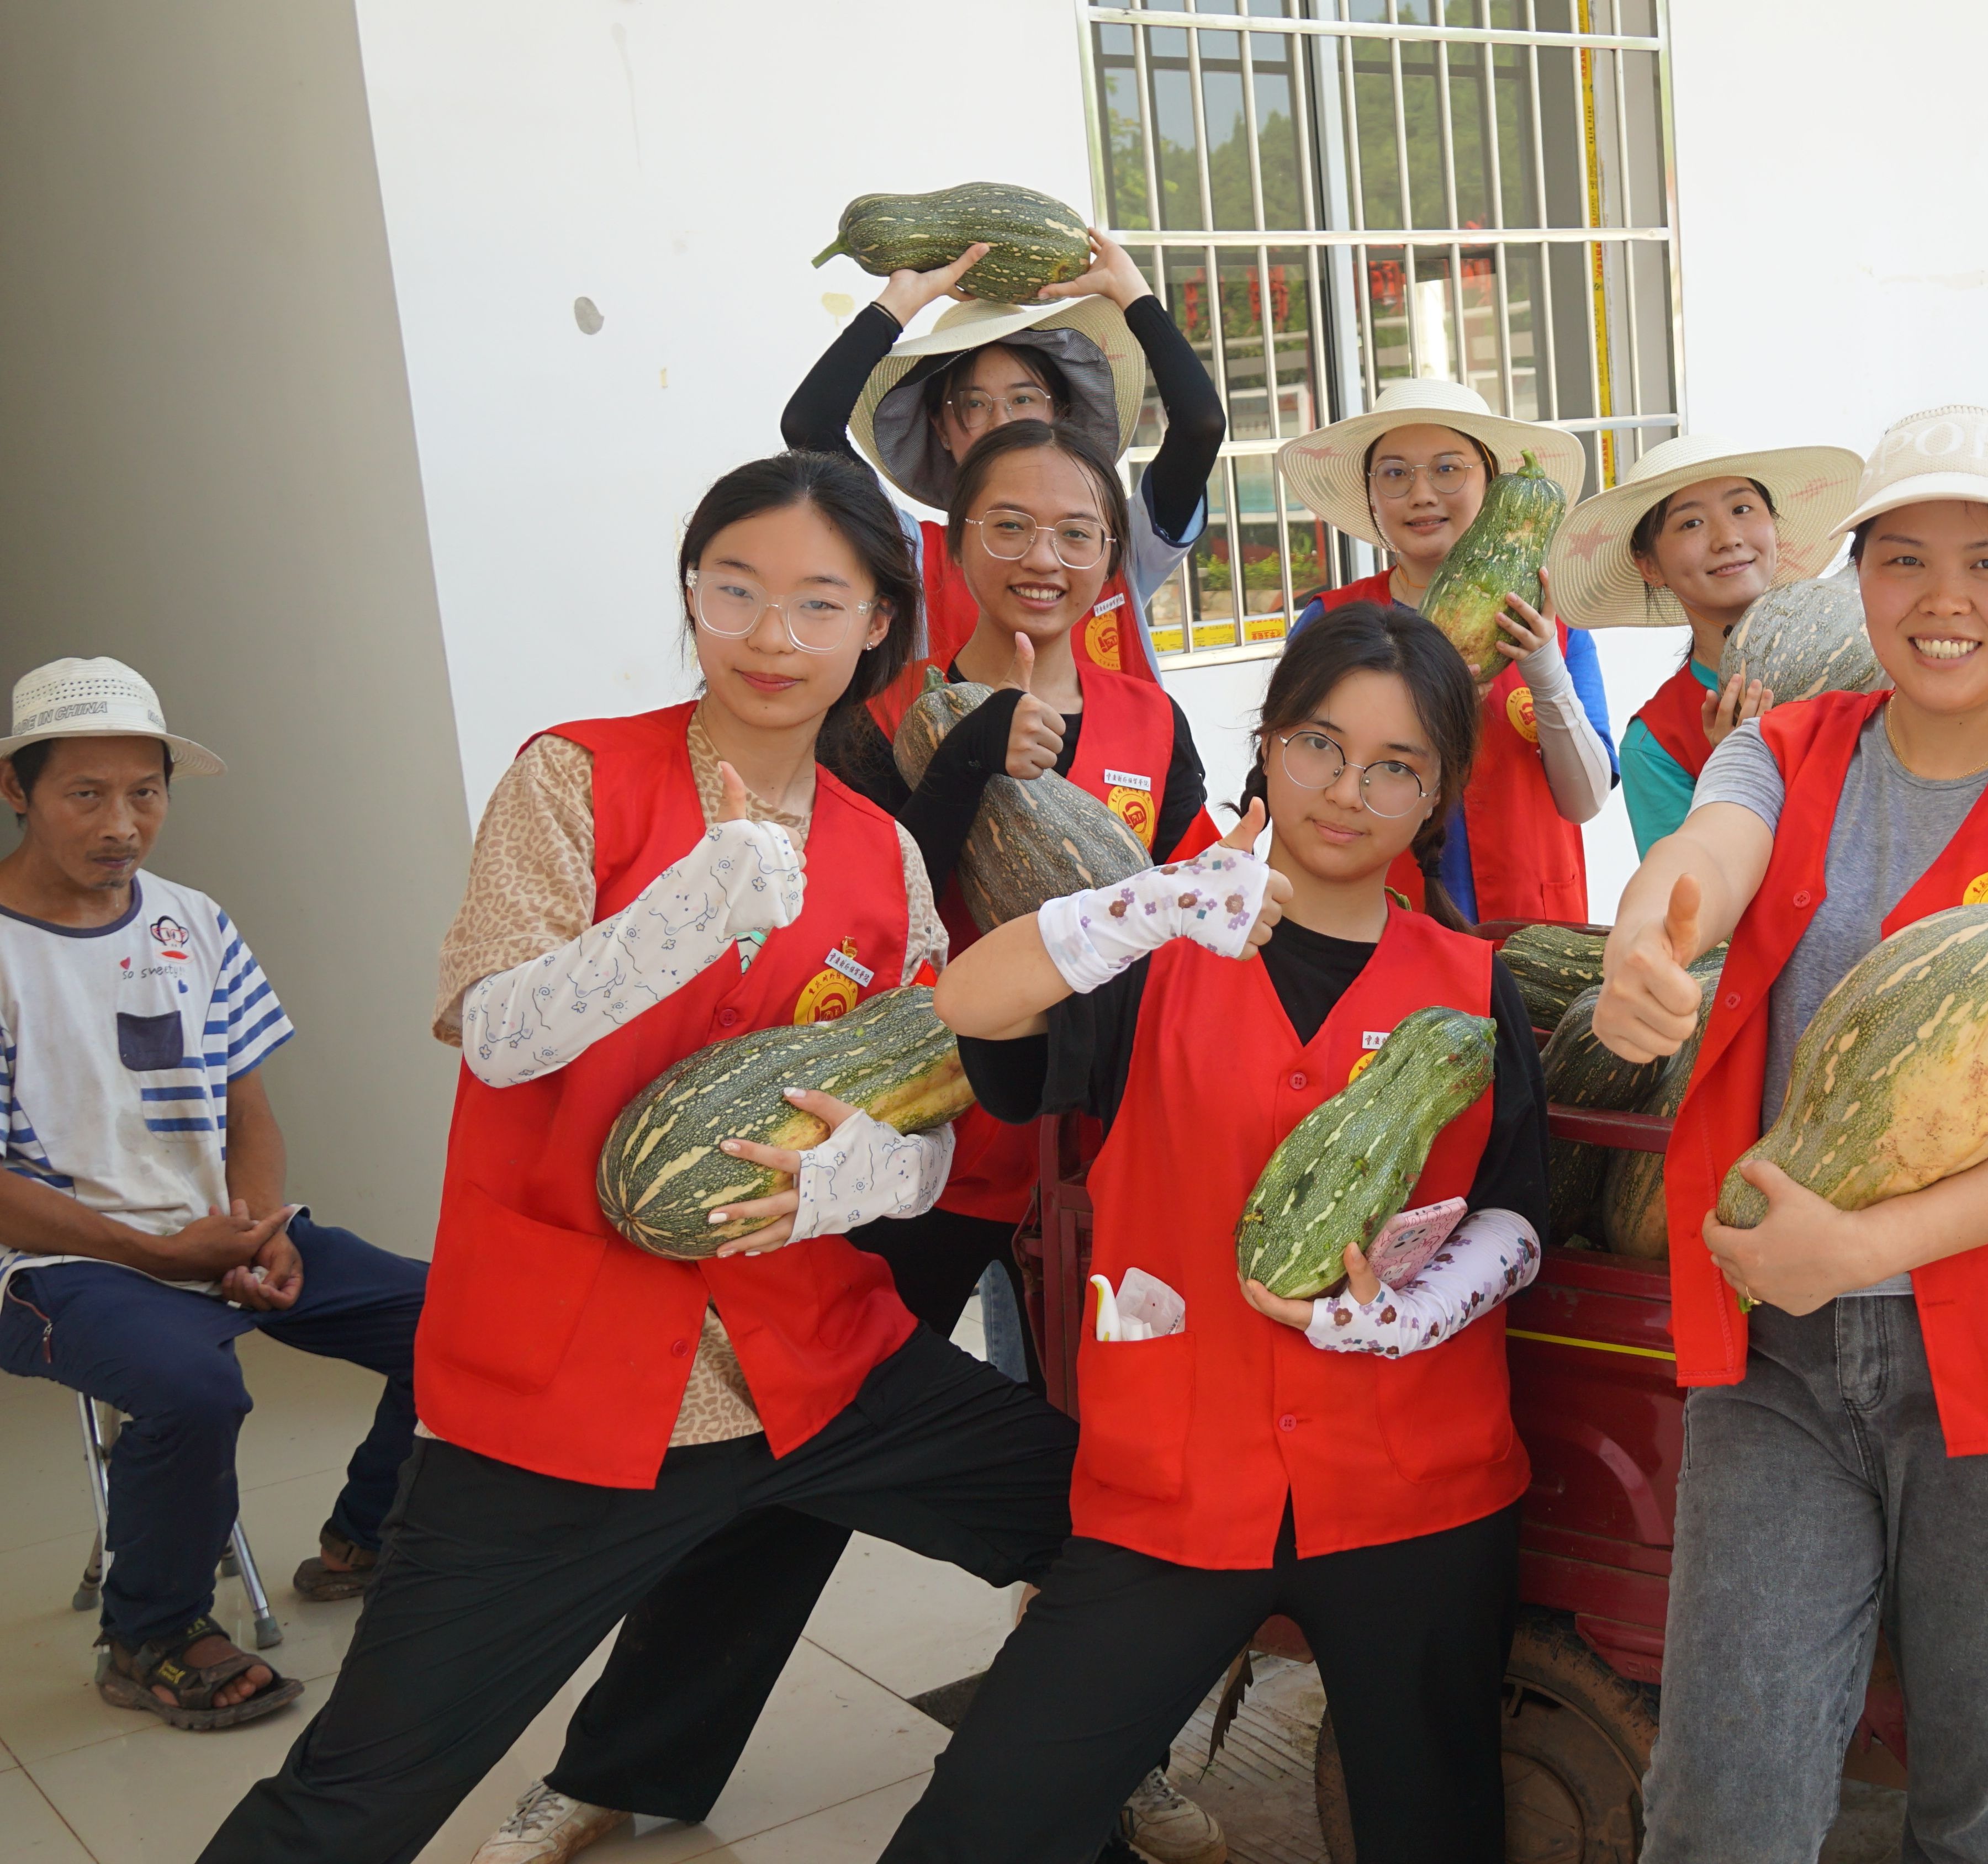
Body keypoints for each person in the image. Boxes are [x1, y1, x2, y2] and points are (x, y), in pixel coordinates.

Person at [200, 451, 1086, 1864]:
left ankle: (1039, 1809)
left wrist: (876, 1180)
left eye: (817, 602)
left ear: (876, 626)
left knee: (1116, 1527)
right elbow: (494, 1030)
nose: (770, 636)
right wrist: (685, 910)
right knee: (358, 1796)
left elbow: (928, 1114)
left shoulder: (883, 859)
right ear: (692, 596)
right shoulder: (576, 777)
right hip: (558, 1383)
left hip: (815, 1359)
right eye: (735, 590)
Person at [474, 421, 1229, 1864]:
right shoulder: (888, 705)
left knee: (1108, 1480)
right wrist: (969, 762)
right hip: (892, 1148)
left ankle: (1104, 1745)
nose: (1046, 558)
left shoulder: (1149, 719)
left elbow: (1174, 908)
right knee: (790, 1471)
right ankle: (614, 1768)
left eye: (1078, 531)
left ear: (1112, 555)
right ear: (959, 539)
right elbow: (853, 885)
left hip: (1101, 1168)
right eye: (1011, 525)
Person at [1590, 407, 1988, 1862]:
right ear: (1855, 580)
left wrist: (1858, 1243)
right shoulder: (1787, 748)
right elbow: (1702, 860)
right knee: (1720, 1805)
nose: (1943, 599)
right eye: (1906, 558)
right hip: (1786, 1353)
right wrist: (1646, 939)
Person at [888, 601, 1549, 1863]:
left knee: (1431, 1827)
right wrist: (1143, 906)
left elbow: (1517, 1211)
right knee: (986, 1819)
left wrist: (1412, 1310)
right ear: (1267, 742)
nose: (1347, 788)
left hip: (1418, 1490)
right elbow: (966, 998)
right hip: (1174, 1488)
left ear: (1438, 792)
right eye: (1317, 743)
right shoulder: (1155, 951)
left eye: (1396, 765)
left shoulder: (1473, 985)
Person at [0, 658, 427, 1733]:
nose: (123, 823)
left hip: (212, 1233)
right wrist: (164, 1256)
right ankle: (150, 1634)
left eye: (146, 791)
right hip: (55, 1264)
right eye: (84, 793)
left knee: (456, 1317)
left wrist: (261, 1224)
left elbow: (250, 1112)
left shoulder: (193, 919)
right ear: (17, 789)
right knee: (194, 1387)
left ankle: (372, 1535)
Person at [785, 229, 1225, 697]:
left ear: (1060, 414)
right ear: (940, 429)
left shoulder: (1121, 541)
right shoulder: (909, 552)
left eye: (1024, 399)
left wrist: (1131, 293)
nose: (1002, 423)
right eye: (974, 405)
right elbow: (808, 423)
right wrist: (900, 301)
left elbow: (1200, 425)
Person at [1278, 376, 1613, 921]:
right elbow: (1293, 785)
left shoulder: (1554, 626)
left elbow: (1587, 802)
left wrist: (1546, 671)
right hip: (1381, 931)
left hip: (1533, 941)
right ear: (1370, 494)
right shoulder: (1329, 623)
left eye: (1448, 468)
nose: (1422, 494)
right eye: (1395, 474)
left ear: (1494, 484)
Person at [1540, 432, 1863, 851]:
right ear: (1649, 565)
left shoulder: (1869, 657)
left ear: (1775, 529)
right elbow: (1687, 904)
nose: (1727, 537)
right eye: (1690, 523)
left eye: (1743, 508)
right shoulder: (1655, 745)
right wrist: (1740, 774)